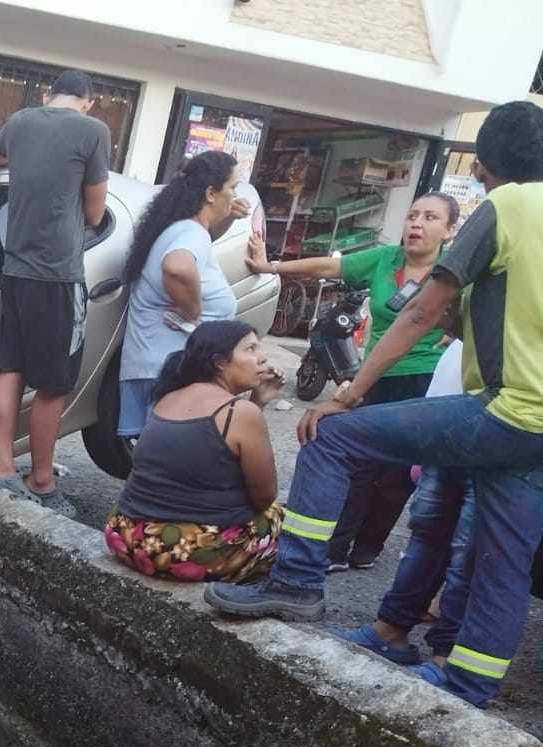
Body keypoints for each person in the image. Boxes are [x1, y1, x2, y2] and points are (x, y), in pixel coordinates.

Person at [206, 101, 543, 710]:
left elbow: (422, 310)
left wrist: (348, 394)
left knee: (334, 437)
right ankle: (468, 686)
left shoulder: (508, 206)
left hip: (508, 410)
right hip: (535, 428)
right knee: (503, 558)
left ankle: (296, 581)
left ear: (487, 163)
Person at [246, 191, 460, 570]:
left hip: (424, 381)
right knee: (359, 461)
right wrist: (270, 266)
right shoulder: (384, 259)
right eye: (412, 215)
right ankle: (336, 548)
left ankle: (369, 546)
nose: (416, 223)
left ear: (449, 230)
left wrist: (460, 330)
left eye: (430, 218)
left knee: (398, 474)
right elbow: (328, 267)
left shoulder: (454, 272)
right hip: (374, 374)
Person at [0, 68, 111, 515]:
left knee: (10, 368)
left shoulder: (19, 122)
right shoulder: (93, 131)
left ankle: (0, 466)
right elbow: (95, 214)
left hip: (14, 271)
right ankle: (41, 478)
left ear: (49, 94)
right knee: (55, 385)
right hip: (57, 276)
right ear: (88, 101)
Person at [105, 321, 285, 581]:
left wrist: (258, 402)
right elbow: (263, 498)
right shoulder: (240, 414)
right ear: (219, 362)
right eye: (251, 349)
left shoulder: (167, 398)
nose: (263, 357)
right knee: (279, 518)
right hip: (182, 552)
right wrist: (255, 408)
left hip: (126, 535)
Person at [332, 339, 474, 667]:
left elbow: (418, 315)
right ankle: (390, 630)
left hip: (498, 434)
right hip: (446, 435)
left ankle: (446, 656)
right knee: (427, 534)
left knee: (471, 550)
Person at [117, 150, 246, 440]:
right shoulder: (191, 231)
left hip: (157, 366)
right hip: (168, 371)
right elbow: (177, 267)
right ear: (211, 193)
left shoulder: (184, 229)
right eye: (232, 187)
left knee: (158, 463)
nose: (235, 195)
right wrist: (194, 313)